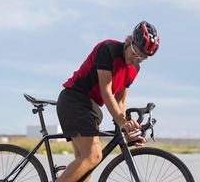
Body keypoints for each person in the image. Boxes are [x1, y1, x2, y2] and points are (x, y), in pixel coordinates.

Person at [56, 21, 160, 182]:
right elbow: (106, 91)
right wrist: (122, 121)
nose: (135, 59)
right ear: (128, 40)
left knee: (85, 170)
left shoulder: (134, 69)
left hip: (91, 108)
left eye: (142, 58)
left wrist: (128, 130)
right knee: (93, 156)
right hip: (74, 100)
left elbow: (120, 102)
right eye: (135, 53)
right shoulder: (108, 49)